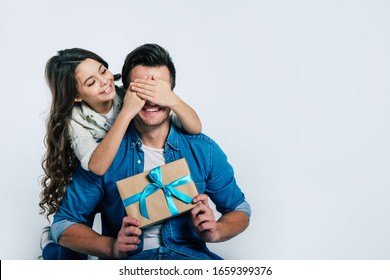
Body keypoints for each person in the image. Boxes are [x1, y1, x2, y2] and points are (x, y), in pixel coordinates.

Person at [49, 43, 251, 260]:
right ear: (125, 93)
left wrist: (217, 230)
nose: (152, 98)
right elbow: (64, 224)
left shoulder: (203, 149)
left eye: (160, 90)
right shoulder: (104, 154)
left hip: (191, 259)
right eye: (141, 89)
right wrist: (112, 246)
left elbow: (239, 209)